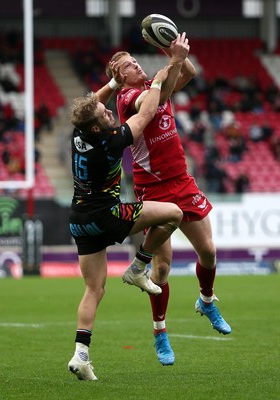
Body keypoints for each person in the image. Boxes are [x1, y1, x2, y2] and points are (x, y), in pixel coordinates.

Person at [106, 32, 232, 366]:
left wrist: (170, 49)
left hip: (182, 180)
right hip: (153, 188)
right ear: (120, 77)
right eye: (128, 64)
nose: (135, 63)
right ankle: (160, 334)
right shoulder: (129, 98)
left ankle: (206, 301)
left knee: (208, 252)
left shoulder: (153, 83)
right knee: (162, 267)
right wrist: (171, 63)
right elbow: (154, 102)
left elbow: (188, 73)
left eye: (134, 59)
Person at [67, 64, 184, 381]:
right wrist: (158, 80)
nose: (108, 113)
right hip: (106, 215)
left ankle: (81, 354)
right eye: (104, 115)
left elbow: (92, 105)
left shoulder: (80, 132)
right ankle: (138, 267)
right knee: (174, 213)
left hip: (78, 219)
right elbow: (145, 116)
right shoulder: (110, 140)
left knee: (94, 289)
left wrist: (112, 83)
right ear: (97, 128)